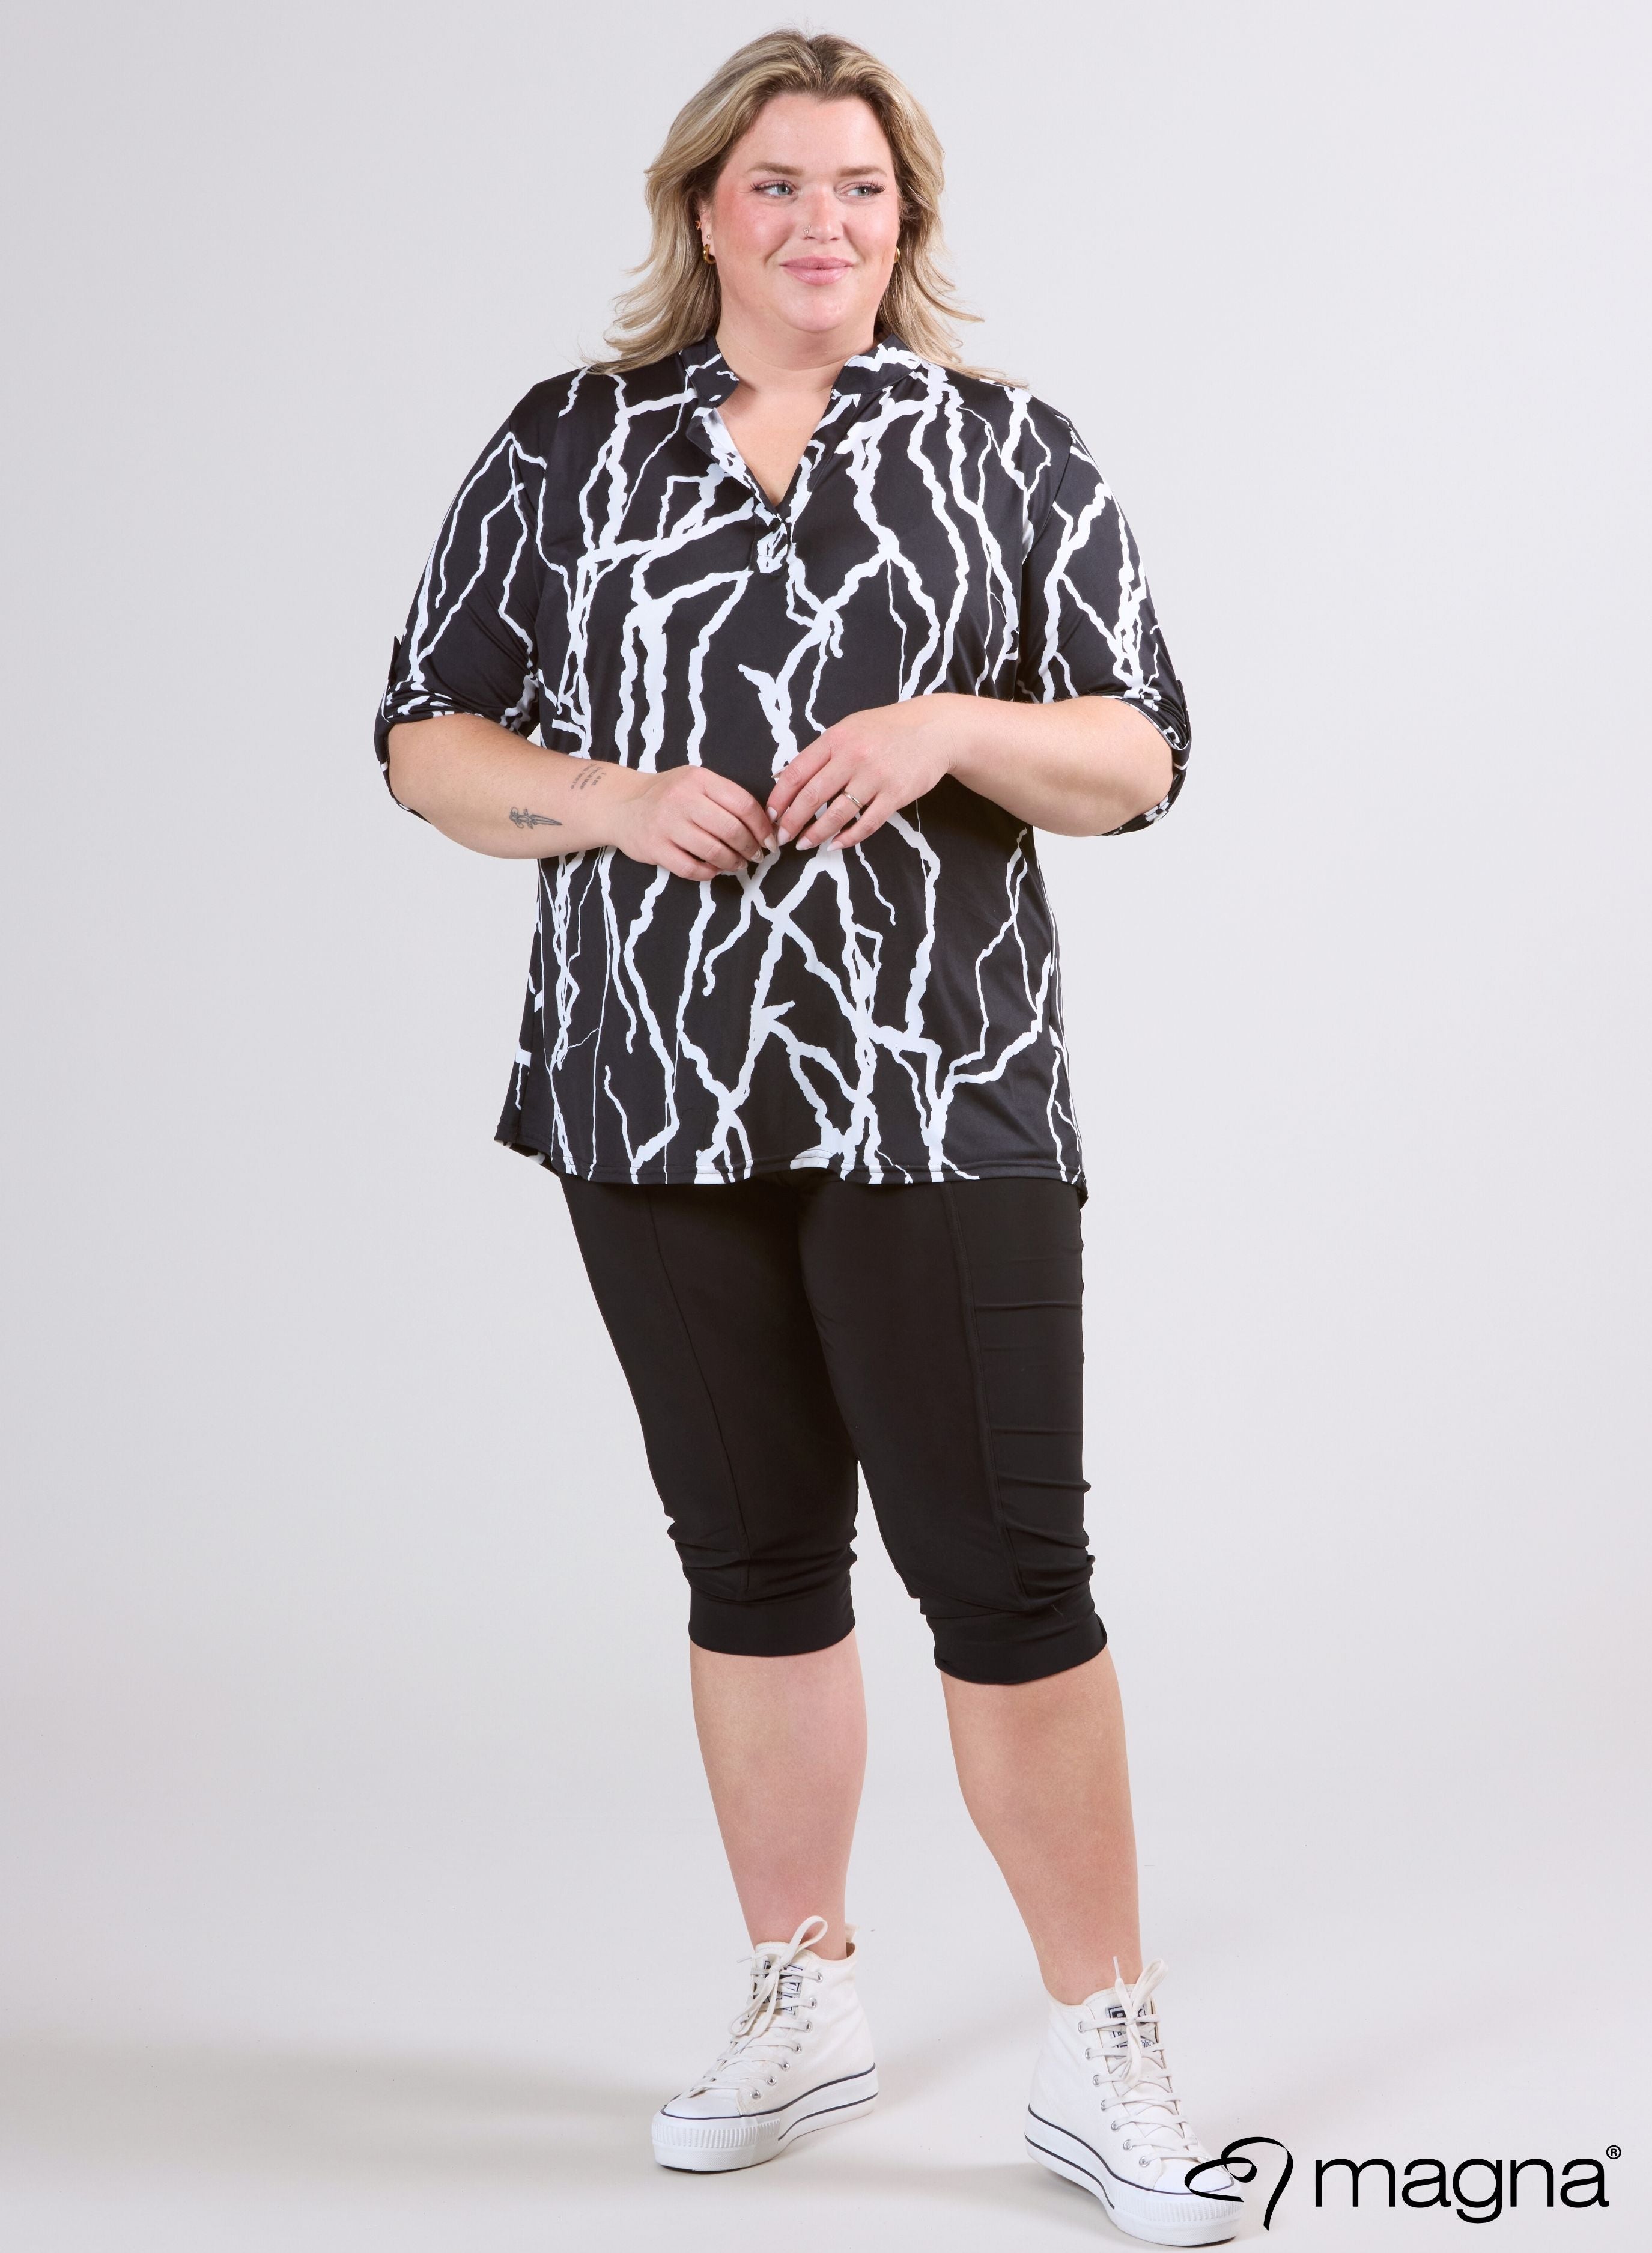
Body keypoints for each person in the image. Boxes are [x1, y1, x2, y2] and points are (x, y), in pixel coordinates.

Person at [376, 29, 1235, 2247]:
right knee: (751, 1563)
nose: (820, 222)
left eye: (859, 186)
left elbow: (1141, 753)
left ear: (905, 219)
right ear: (704, 211)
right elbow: (425, 738)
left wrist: (950, 723)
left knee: (1009, 1576)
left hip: (938, 1088)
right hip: (649, 1084)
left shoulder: (1005, 448)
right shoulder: (568, 444)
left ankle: (1108, 2037)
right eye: (776, 184)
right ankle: (804, 1992)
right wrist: (603, 797)